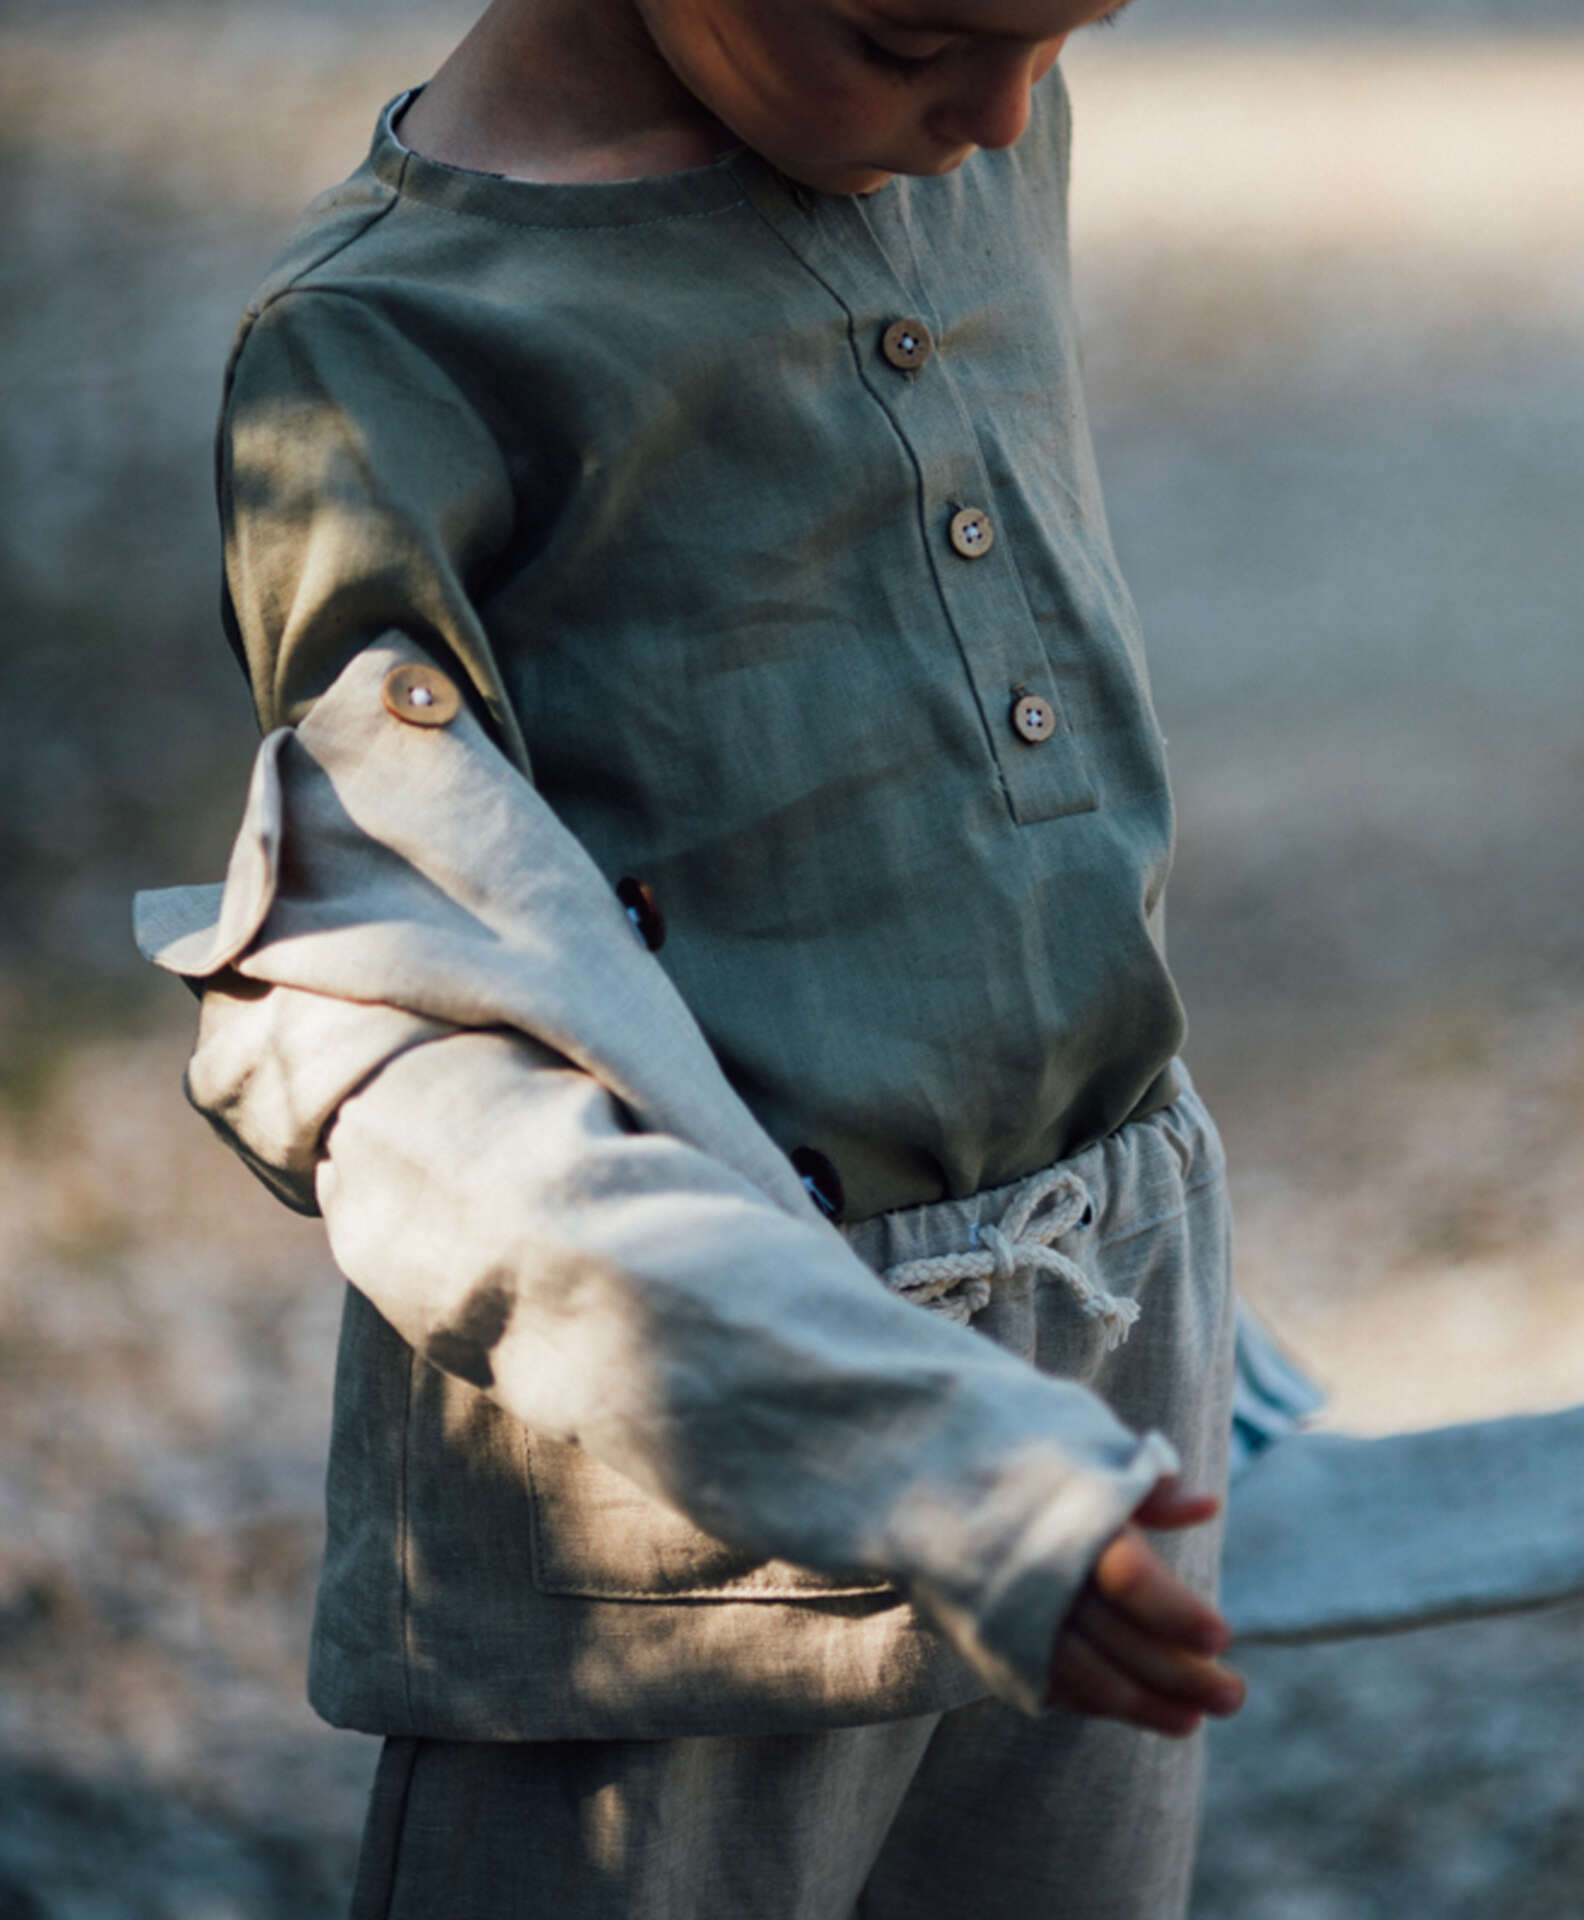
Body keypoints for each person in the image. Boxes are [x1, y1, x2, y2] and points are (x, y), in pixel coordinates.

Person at [136, 0, 1246, 1911]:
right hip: (673, 1509)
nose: (996, 118)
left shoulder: (953, 139)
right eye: (919, 36)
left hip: (1114, 1376)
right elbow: (418, 1062)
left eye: (1065, 37)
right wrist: (915, 1454)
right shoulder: (386, 360)